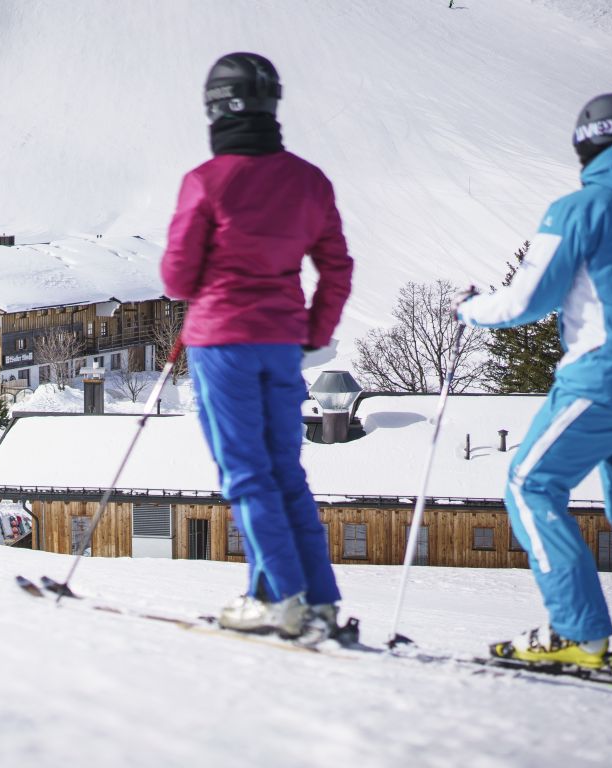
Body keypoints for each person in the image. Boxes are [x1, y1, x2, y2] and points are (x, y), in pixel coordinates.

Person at [455, 93, 612, 675]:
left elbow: (527, 300)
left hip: (598, 378)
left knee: (530, 484)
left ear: (585, 143)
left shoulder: (579, 209)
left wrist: (472, 309)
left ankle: (578, 634)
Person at [161, 52, 353, 637]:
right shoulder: (308, 180)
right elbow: (336, 267)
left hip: (223, 342)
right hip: (281, 342)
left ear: (215, 109)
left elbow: (175, 278)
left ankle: (281, 600)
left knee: (246, 474)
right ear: (272, 104)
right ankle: (314, 598)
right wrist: (313, 334)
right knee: (284, 472)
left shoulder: (206, 181)